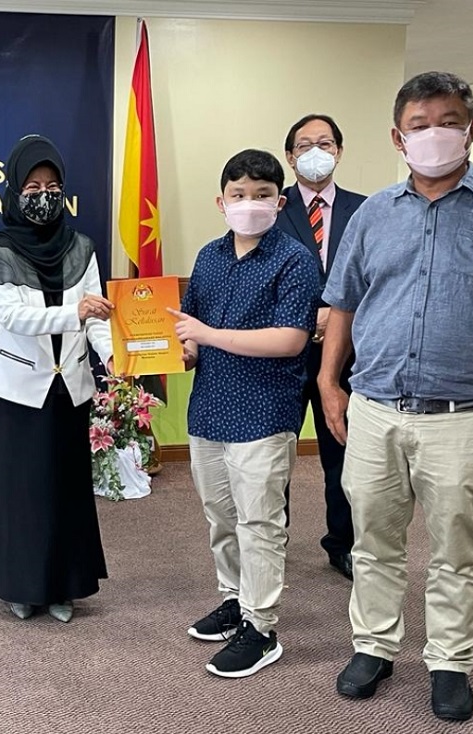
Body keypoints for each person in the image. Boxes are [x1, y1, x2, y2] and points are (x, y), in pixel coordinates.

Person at [320, 71, 473, 722]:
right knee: (374, 538)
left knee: (458, 547)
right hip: (374, 406)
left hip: (462, 416)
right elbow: (343, 301)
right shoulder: (372, 213)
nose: (436, 134)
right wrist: (328, 380)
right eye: (422, 124)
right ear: (399, 138)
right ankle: (373, 645)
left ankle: (451, 662)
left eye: (449, 120)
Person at [171, 149, 319, 678]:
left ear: (279, 202)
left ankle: (261, 627)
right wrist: (182, 351)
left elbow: (290, 339)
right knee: (221, 516)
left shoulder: (296, 260)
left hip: (264, 411)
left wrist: (207, 335)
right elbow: (196, 334)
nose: (249, 204)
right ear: (221, 201)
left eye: (261, 195)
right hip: (209, 407)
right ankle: (235, 599)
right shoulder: (209, 257)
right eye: (238, 195)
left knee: (259, 521)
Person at [0, 135, 114, 624]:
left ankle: (63, 586)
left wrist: (117, 358)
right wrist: (73, 311)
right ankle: (18, 585)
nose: (44, 194)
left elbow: (97, 317)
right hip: (18, 388)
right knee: (21, 490)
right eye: (32, 185)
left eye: (53, 186)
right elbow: (12, 318)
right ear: (14, 189)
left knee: (66, 488)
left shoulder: (82, 246)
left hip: (70, 385)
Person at [275, 114, 366, 581]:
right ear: (290, 157)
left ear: (339, 151)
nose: (315, 151)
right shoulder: (270, 207)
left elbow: (381, 277)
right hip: (284, 357)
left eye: (325, 142)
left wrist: (339, 314)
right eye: (305, 144)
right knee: (275, 455)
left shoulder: (368, 209)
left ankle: (342, 543)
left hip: (348, 357)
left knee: (343, 454)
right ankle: (273, 541)